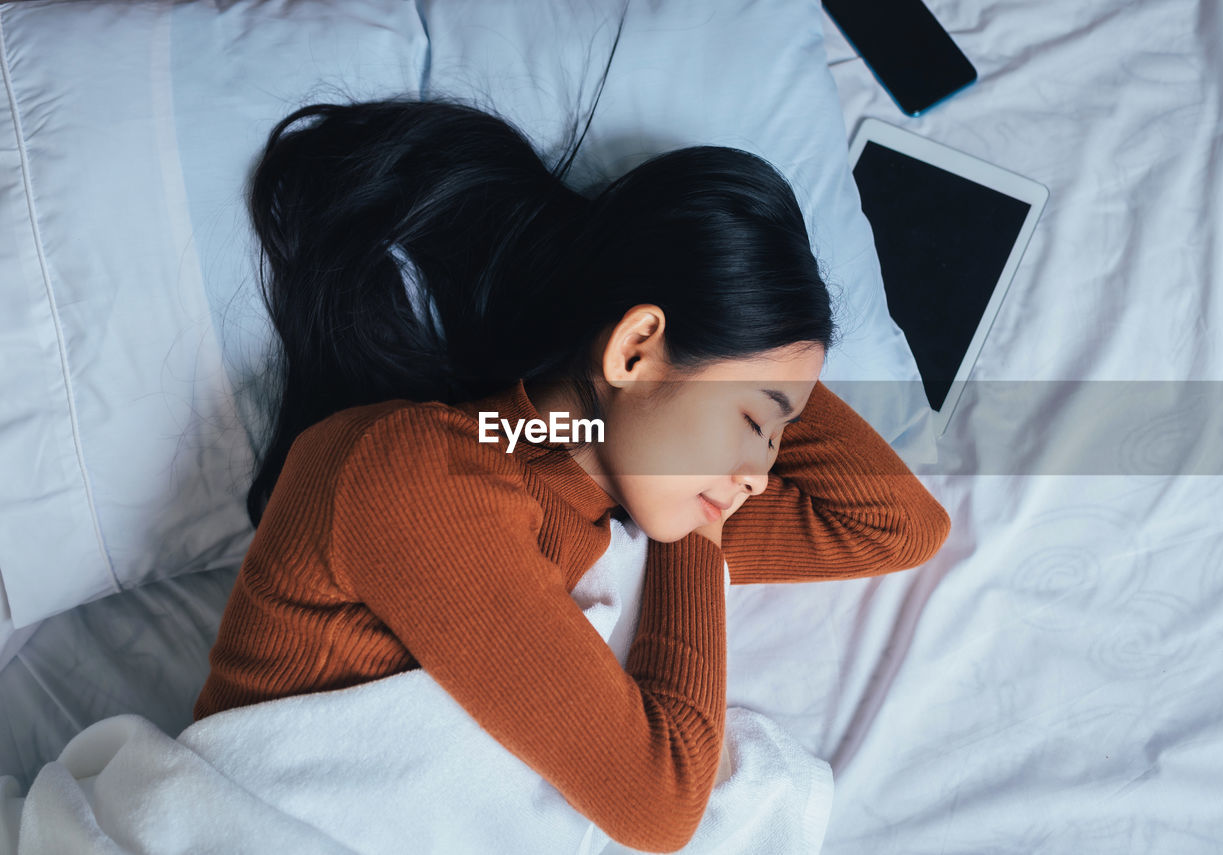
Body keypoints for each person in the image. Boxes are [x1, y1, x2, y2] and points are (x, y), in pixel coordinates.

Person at [192, 24, 950, 851]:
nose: (762, 473)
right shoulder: (413, 471)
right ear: (633, 348)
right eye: (751, 418)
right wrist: (701, 511)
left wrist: (753, 381)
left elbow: (899, 524)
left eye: (781, 435)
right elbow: (659, 804)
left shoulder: (617, 502)